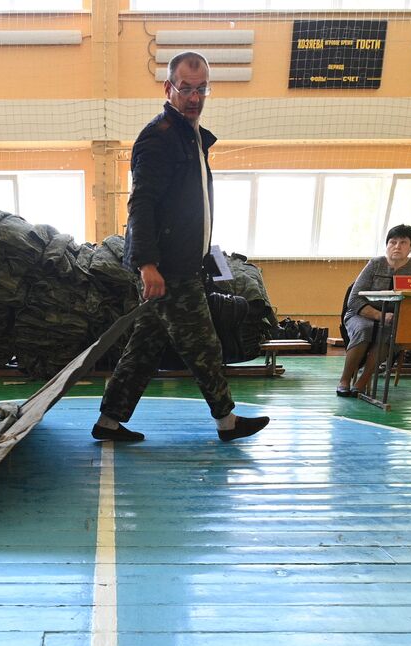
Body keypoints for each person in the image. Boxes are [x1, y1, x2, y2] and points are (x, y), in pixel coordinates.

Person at [91, 50, 269, 444]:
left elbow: (188, 207)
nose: (194, 97)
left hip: (182, 262)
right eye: (185, 89)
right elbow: (142, 203)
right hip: (168, 270)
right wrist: (147, 265)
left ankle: (108, 421)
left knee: (144, 347)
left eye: (201, 88)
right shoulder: (159, 138)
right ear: (168, 88)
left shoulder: (190, 138)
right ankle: (227, 421)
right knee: (204, 346)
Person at [336, 224, 411, 396]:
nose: (397, 246)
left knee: (389, 335)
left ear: (410, 248)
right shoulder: (374, 264)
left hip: (394, 320)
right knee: (365, 329)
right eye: (392, 242)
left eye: (403, 242)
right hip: (362, 314)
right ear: (387, 246)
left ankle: (363, 381)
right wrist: (379, 315)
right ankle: (345, 380)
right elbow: (354, 299)